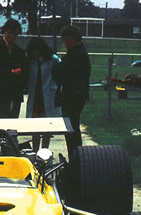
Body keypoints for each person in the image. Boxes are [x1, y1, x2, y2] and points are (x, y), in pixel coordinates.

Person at [52, 25, 91, 156]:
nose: (65, 43)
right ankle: (75, 156)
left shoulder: (75, 54)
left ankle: (75, 157)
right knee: (73, 128)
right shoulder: (78, 52)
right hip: (76, 96)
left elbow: (62, 72)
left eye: (66, 40)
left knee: (71, 129)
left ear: (71, 39)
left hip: (73, 97)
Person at [0, 18, 28, 119]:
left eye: (16, 34)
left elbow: (25, 70)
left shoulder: (20, 51)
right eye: (10, 33)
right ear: (5, 31)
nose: (12, 36)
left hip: (15, 91)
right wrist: (11, 72)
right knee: (0, 121)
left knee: (13, 122)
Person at [26, 37, 61, 151]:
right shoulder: (30, 60)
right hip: (35, 96)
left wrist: (54, 87)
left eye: (38, 51)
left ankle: (45, 151)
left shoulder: (53, 60)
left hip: (47, 95)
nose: (36, 53)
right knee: (35, 126)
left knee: (47, 125)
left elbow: (60, 74)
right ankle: (35, 150)